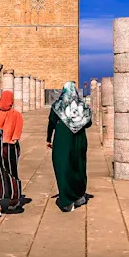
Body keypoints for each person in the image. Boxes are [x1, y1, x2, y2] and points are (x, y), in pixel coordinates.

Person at [47, 81, 92, 212]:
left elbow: (51, 122)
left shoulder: (58, 105)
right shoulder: (82, 106)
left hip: (62, 138)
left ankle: (67, 201)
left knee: (63, 166)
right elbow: (88, 123)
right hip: (79, 139)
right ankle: (78, 196)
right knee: (78, 166)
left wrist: (48, 139)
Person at [0, 90, 24, 217]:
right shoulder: (16, 114)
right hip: (10, 148)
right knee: (11, 172)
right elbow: (17, 134)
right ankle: (14, 199)